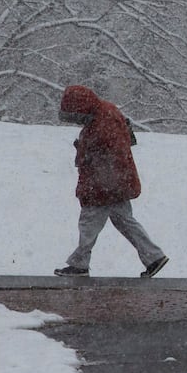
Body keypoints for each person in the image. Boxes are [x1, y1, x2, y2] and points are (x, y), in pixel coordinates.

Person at [53, 85, 169, 278]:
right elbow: (123, 141)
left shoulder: (102, 123)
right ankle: (154, 257)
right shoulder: (105, 112)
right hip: (117, 183)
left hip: (104, 185)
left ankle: (79, 264)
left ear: (81, 109)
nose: (77, 123)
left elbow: (104, 155)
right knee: (125, 222)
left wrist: (84, 153)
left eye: (76, 117)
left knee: (88, 223)